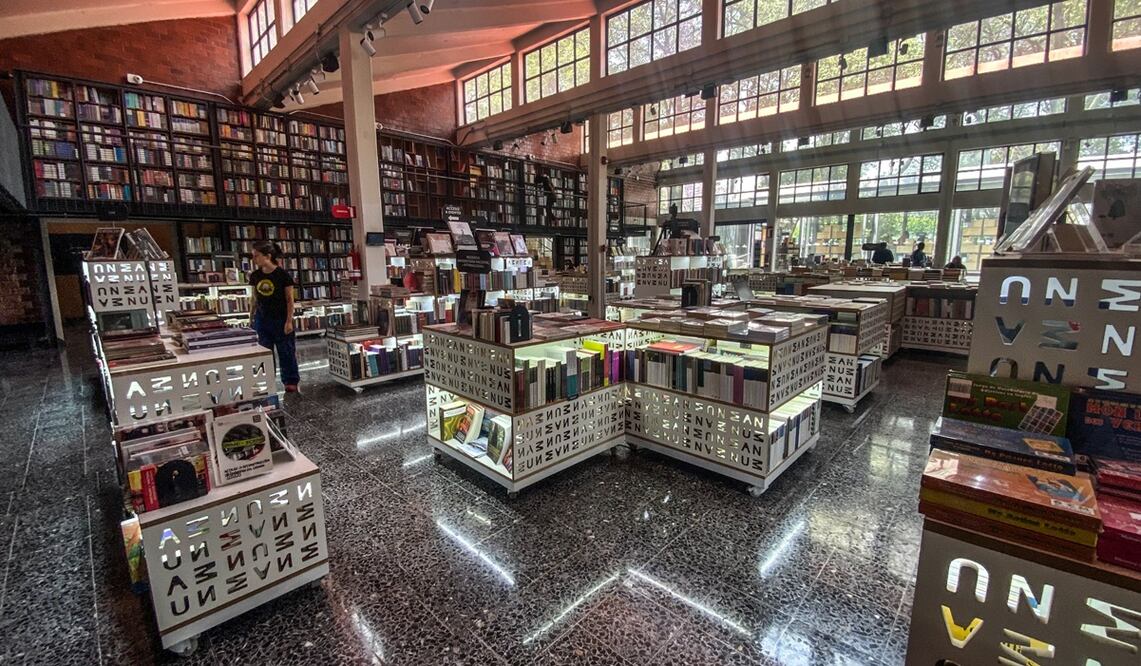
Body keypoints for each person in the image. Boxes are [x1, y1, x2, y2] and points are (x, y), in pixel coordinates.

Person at [249, 241, 300, 393]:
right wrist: (251, 316)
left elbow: (290, 300)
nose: (254, 259)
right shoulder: (255, 275)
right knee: (265, 353)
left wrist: (289, 321)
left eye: (256, 256)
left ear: (268, 256)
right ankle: (267, 380)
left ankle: (290, 381)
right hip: (262, 319)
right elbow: (254, 298)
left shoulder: (282, 275)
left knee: (286, 351)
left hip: (281, 319)